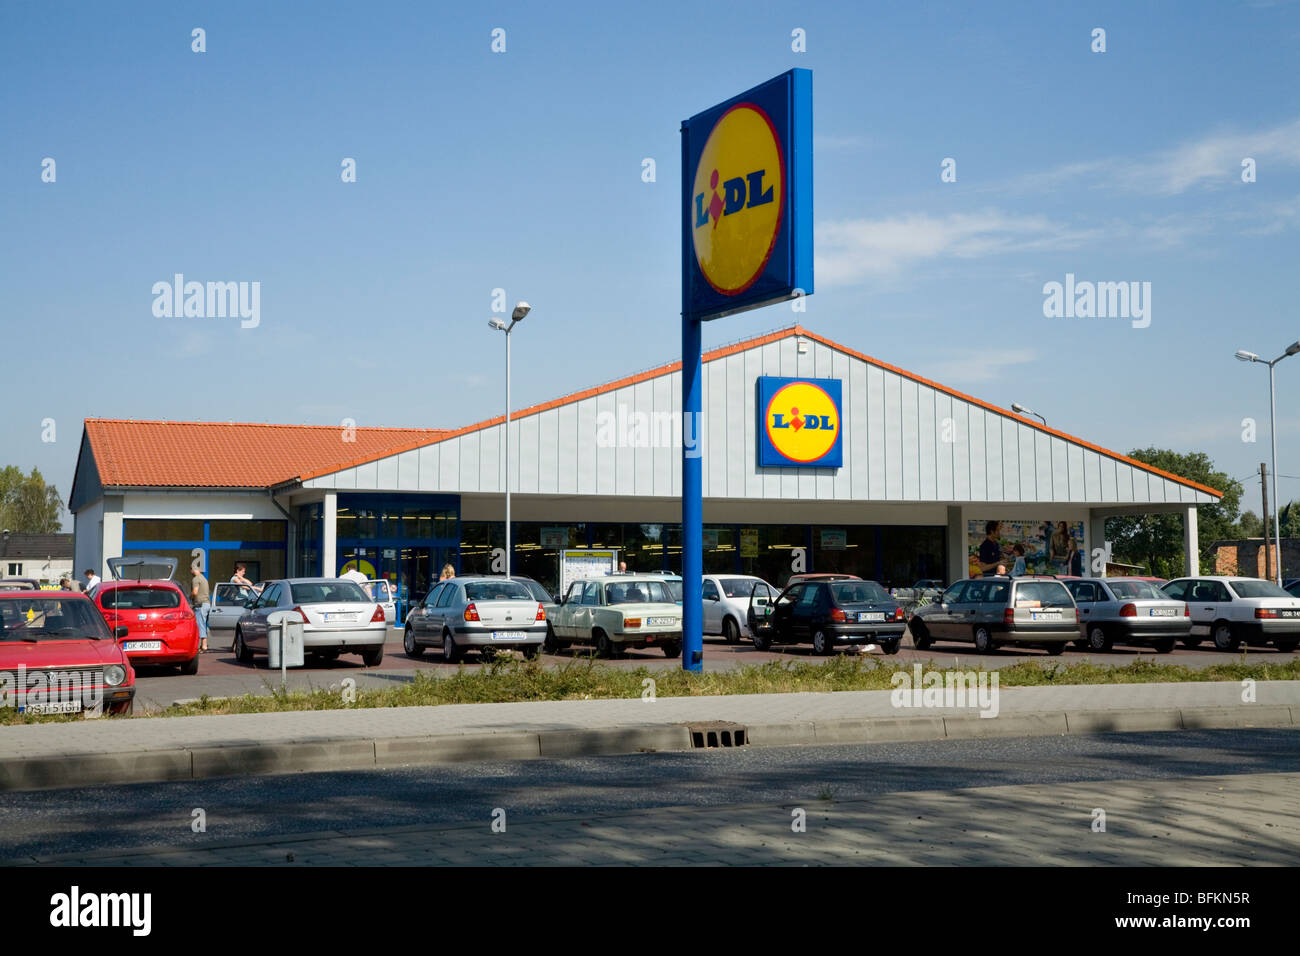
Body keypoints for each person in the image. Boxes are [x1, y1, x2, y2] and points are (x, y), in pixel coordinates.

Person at [191, 567, 211, 652]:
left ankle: (204, 646)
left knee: (200, 625)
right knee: (203, 624)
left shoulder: (196, 579)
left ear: (192, 570)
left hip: (200, 605)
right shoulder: (203, 578)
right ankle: (204, 644)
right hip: (206, 604)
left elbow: (195, 592)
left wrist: (190, 597)